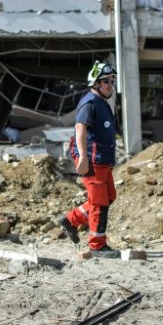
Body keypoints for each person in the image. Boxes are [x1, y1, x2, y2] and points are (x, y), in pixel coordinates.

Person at [58, 60, 121, 259]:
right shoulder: (90, 102)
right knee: (100, 203)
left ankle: (71, 220)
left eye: (112, 81)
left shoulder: (101, 103)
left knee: (109, 196)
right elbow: (80, 129)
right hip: (93, 160)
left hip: (103, 161)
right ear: (95, 83)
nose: (110, 85)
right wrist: (83, 156)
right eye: (106, 81)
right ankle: (97, 245)